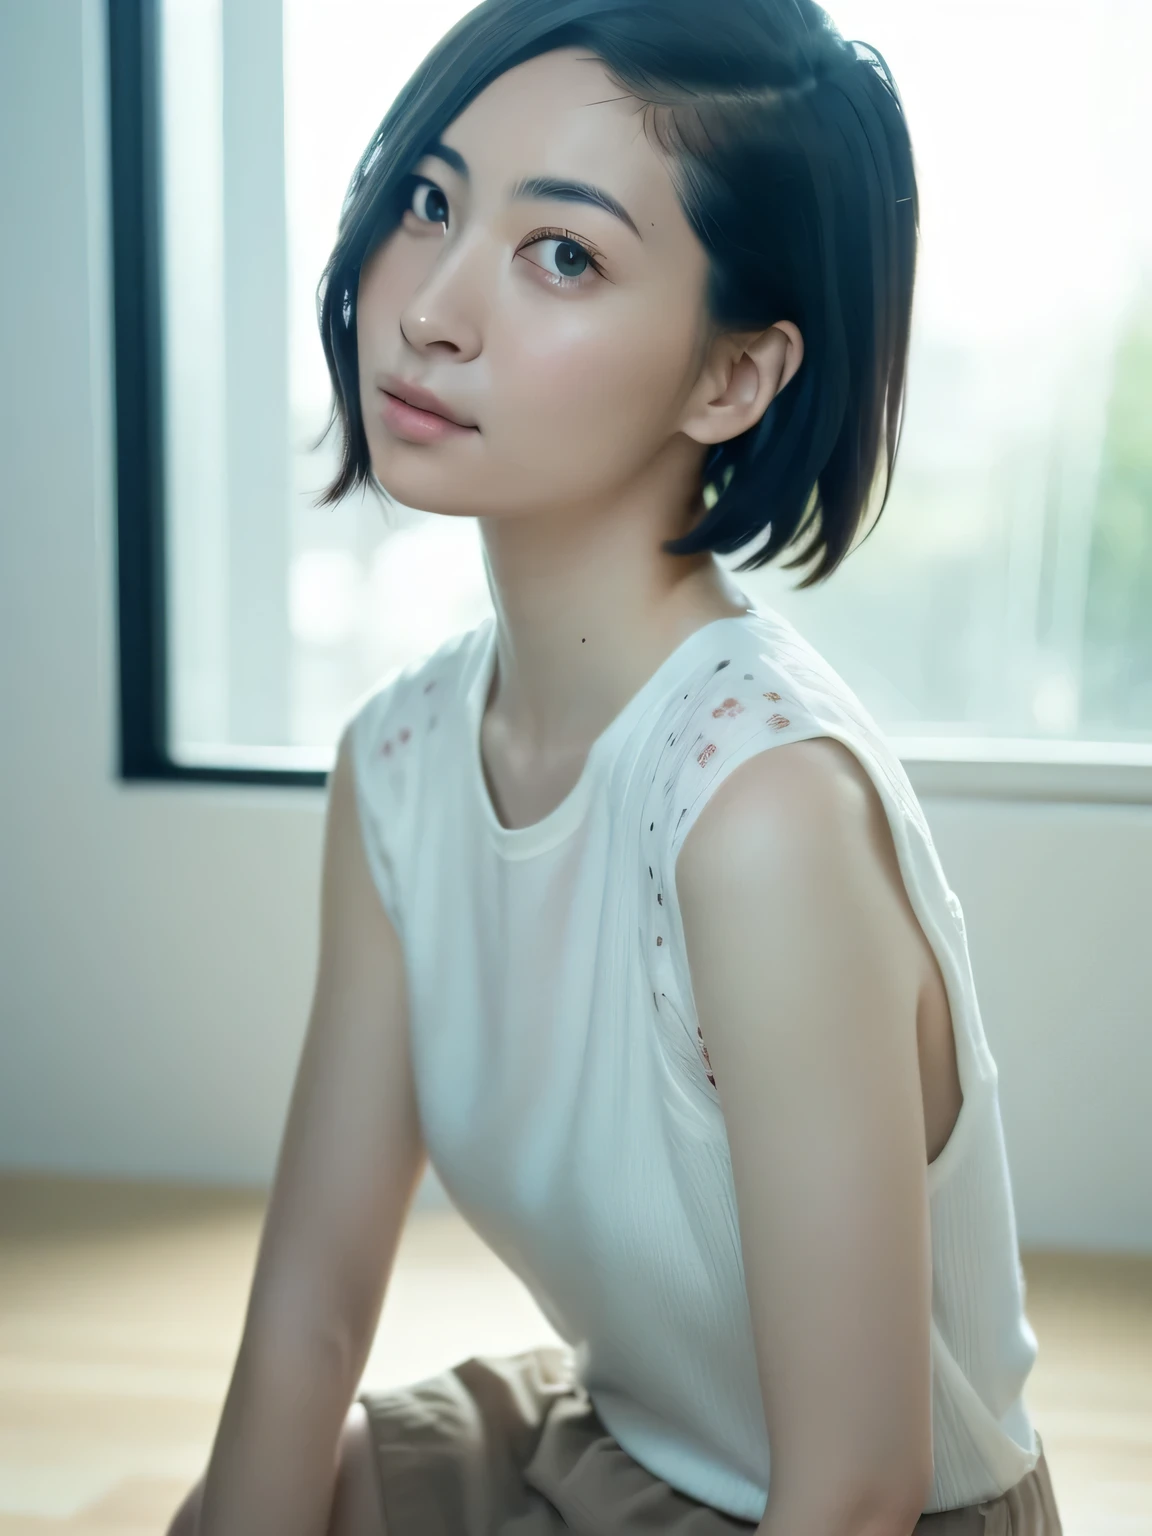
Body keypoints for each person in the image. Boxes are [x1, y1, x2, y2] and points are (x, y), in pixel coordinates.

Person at [170, 1, 1063, 1532]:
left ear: (733, 380)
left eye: (562, 254)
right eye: (430, 200)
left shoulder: (757, 810)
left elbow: (855, 1486)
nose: (431, 307)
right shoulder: (396, 761)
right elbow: (311, 1315)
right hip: (615, 1432)